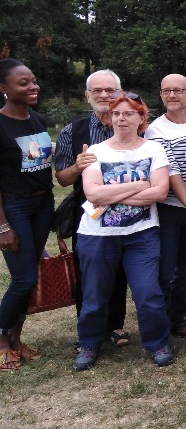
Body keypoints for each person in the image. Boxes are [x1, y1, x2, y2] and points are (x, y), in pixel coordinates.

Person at [72, 92, 174, 371]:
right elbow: (93, 194)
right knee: (94, 294)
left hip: (142, 234)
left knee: (148, 293)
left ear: (141, 118)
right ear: (110, 119)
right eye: (116, 114)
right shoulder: (96, 151)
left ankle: (157, 343)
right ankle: (89, 343)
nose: (121, 119)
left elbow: (160, 192)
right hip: (97, 236)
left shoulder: (154, 150)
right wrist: (139, 185)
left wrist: (112, 193)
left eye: (129, 113)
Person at [55, 69, 131, 348]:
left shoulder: (131, 124)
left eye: (110, 90)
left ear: (120, 94)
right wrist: (78, 166)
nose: (104, 95)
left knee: (120, 268)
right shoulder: (72, 131)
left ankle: (116, 325)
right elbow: (62, 179)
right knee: (88, 271)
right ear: (87, 96)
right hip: (88, 211)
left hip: (128, 207)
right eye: (97, 90)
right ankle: (90, 332)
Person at [145, 74, 186, 337]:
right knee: (166, 269)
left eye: (178, 90)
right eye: (166, 91)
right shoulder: (155, 130)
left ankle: (178, 317)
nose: (172, 95)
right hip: (171, 207)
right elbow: (171, 171)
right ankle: (161, 323)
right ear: (161, 95)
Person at [0, 59, 54, 371]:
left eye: (33, 81)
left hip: (42, 204)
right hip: (14, 207)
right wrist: (3, 225)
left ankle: (16, 340)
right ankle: (1, 342)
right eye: (24, 83)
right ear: (4, 89)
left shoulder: (38, 120)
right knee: (24, 279)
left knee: (31, 276)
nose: (33, 87)